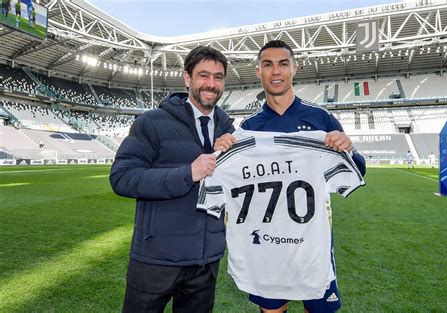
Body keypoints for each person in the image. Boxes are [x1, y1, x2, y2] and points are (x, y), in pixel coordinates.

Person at [214, 40, 366, 313]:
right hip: (266, 250)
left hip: (312, 248)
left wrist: (348, 147)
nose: (276, 72)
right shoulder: (249, 128)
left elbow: (358, 170)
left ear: (294, 69)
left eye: (283, 64)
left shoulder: (321, 118)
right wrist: (224, 151)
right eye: (268, 65)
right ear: (259, 71)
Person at [110, 46, 235, 313]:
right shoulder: (151, 122)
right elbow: (122, 178)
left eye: (218, 77)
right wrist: (187, 173)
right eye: (203, 75)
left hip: (205, 262)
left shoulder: (230, 130)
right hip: (156, 259)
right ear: (187, 78)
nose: (211, 84)